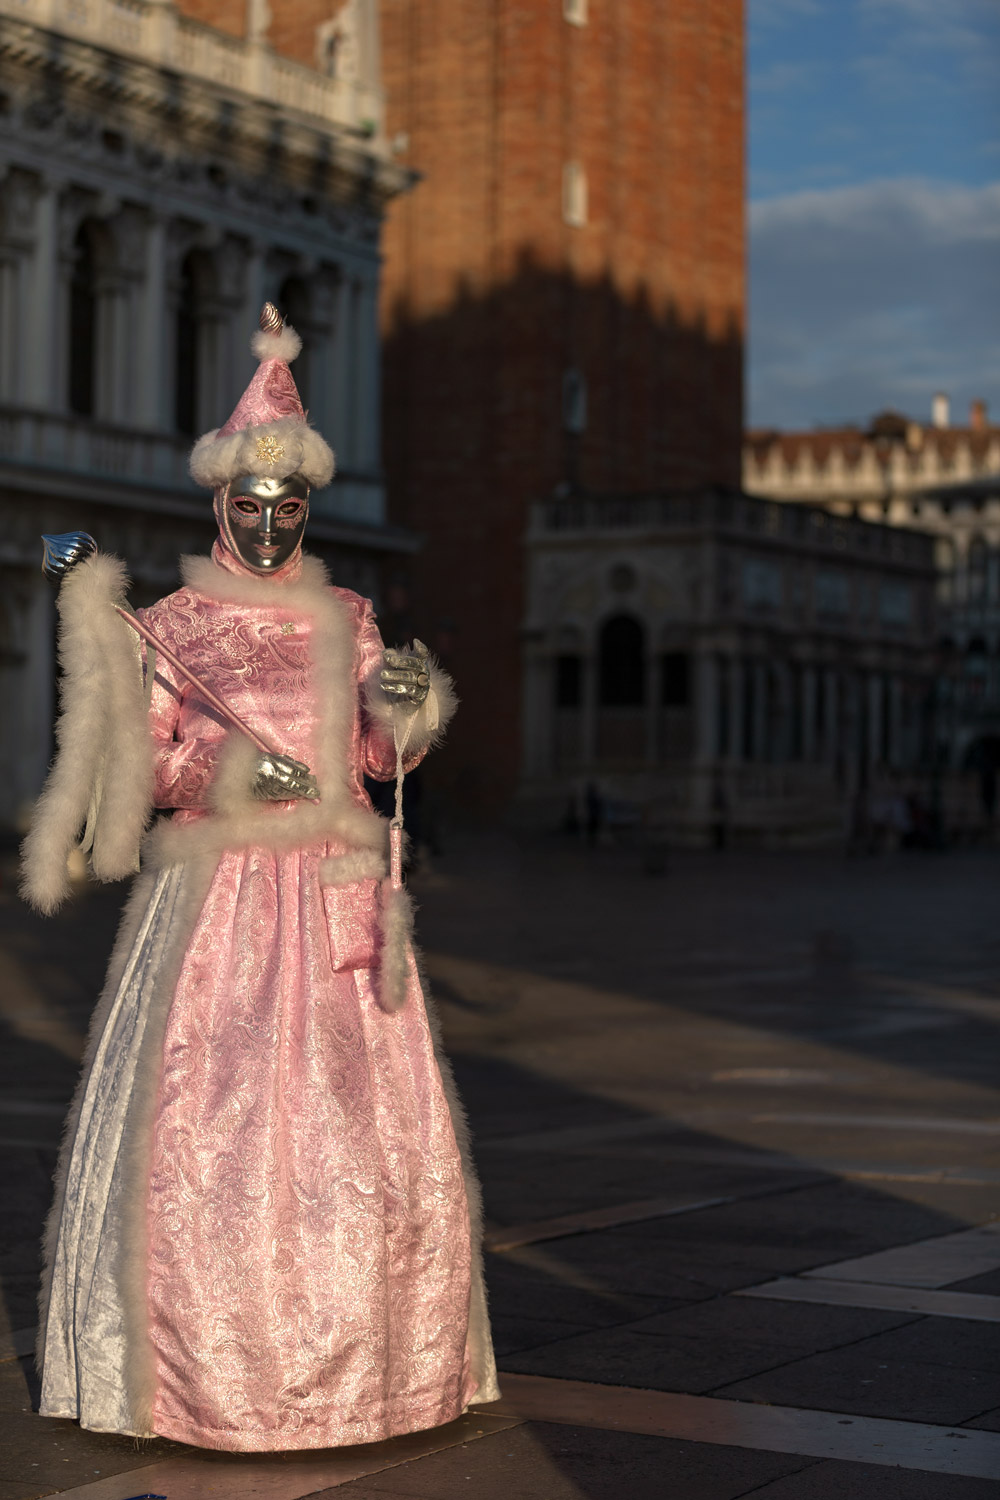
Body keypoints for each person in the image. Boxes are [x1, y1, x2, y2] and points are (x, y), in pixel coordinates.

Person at [20, 305, 498, 1452]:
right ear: (220, 506)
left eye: (291, 508)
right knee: (210, 1130)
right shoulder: (173, 625)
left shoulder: (348, 615)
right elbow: (141, 770)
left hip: (336, 903)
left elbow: (379, 761)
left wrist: (406, 705)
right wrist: (233, 765)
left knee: (354, 1140)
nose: (273, 525)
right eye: (252, 506)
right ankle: (207, 1379)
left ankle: (363, 1372)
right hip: (221, 914)